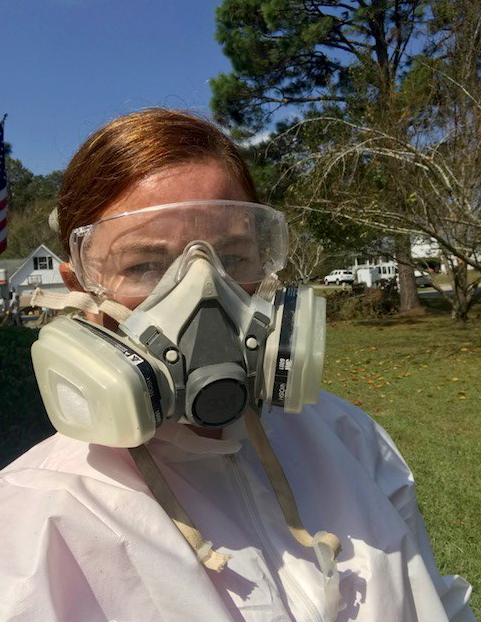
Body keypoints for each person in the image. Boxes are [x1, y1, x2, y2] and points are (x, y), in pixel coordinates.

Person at [0, 109, 474, 622]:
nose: (205, 291)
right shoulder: (37, 520)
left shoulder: (350, 440)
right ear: (81, 288)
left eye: (233, 256)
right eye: (145, 265)